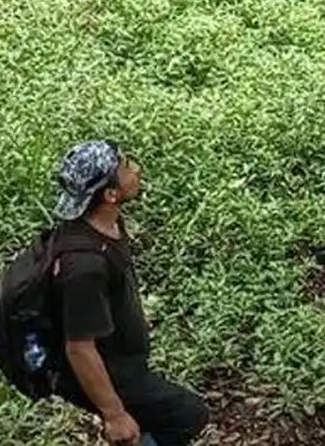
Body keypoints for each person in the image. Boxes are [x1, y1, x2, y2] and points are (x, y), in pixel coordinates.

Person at [50, 140, 209, 445]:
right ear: (110, 195)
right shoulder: (83, 267)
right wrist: (114, 414)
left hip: (121, 356)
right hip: (106, 371)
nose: (135, 168)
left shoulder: (105, 223)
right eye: (125, 166)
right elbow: (79, 348)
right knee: (189, 416)